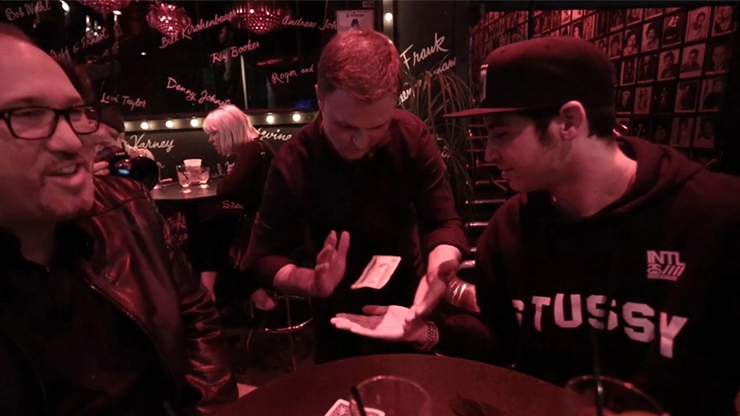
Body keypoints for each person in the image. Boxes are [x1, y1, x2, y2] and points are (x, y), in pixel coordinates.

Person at [331, 36, 740, 416]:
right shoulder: (512, 227)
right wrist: (424, 333)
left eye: (501, 134)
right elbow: (500, 339)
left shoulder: (717, 217)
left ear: (569, 121)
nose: (489, 154)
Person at [0, 24, 237, 414]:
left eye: (76, 113)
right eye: (28, 115)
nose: (72, 142)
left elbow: (197, 318)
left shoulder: (129, 208)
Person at [245, 28, 468, 363]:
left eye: (377, 127)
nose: (360, 143)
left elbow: (444, 222)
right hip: (335, 310)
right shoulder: (295, 160)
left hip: (407, 304)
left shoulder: (411, 138)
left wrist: (439, 269)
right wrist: (312, 282)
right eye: (346, 127)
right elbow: (264, 256)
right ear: (320, 97)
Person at [196, 104, 275, 310]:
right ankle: (256, 297)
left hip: (265, 227)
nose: (210, 140)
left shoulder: (252, 151)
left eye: (214, 133)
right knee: (213, 233)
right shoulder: (256, 148)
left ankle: (207, 295)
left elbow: (225, 188)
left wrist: (231, 176)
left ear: (228, 131)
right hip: (266, 221)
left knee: (208, 235)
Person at [91, 106, 155, 176]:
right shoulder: (87, 158)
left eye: (104, 144)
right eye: (93, 144)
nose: (96, 150)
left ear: (121, 137)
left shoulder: (139, 156)